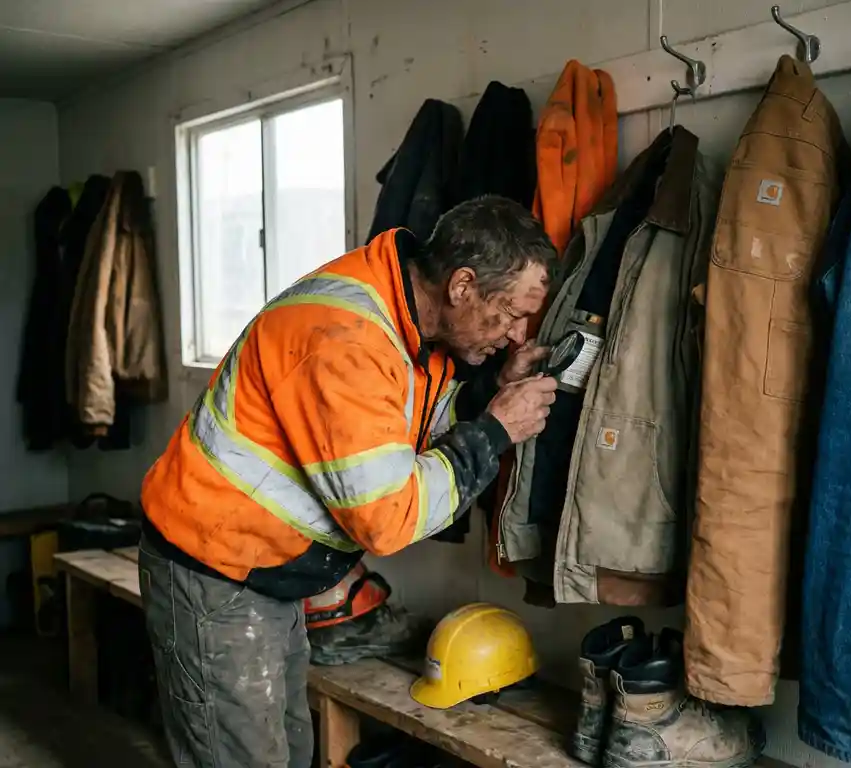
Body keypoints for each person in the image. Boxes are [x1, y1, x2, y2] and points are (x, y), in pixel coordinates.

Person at [137, 195, 559, 767]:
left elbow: (397, 431)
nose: (515, 334)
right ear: (462, 286)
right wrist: (494, 433)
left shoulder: (409, 319)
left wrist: (487, 395)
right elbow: (388, 517)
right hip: (215, 567)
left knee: (286, 749)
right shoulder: (348, 340)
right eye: (509, 314)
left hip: (262, 565)